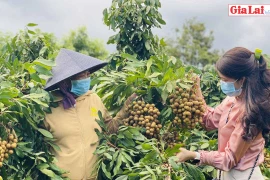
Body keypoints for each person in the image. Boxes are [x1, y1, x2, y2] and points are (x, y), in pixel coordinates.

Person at [176, 47, 270, 180]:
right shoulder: (231, 99)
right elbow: (208, 120)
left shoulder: (251, 113)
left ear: (241, 80)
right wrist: (196, 89)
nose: (222, 84)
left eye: (225, 80)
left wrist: (194, 155)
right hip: (224, 173)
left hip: (244, 175)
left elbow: (229, 159)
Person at [44, 48, 136, 180]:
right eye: (83, 75)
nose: (88, 76)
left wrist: (128, 106)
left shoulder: (93, 99)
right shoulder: (48, 108)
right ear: (67, 80)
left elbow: (109, 129)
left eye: (88, 73)